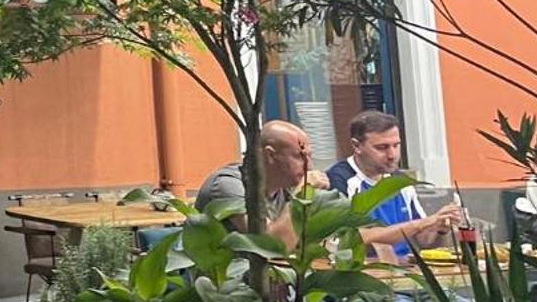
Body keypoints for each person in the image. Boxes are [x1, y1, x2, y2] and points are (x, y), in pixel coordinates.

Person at [323, 110, 464, 261]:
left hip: (407, 267)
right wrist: (422, 223)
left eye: (396, 145)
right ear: (356, 146)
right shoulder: (340, 181)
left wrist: (440, 227)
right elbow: (350, 239)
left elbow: (424, 240)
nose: (392, 155)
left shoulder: (400, 181)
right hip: (364, 271)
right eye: (382, 147)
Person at [195, 120, 325, 248]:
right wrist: (302, 195)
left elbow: (308, 242)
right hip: (229, 268)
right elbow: (272, 247)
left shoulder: (286, 187)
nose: (309, 167)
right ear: (270, 155)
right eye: (299, 156)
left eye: (310, 156)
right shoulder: (229, 184)